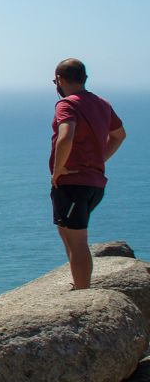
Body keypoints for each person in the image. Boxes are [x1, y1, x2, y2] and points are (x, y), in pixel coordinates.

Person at [50, 58, 125, 290]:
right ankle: (78, 282)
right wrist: (98, 159)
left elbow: (66, 136)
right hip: (93, 183)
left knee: (77, 240)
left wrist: (59, 169)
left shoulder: (67, 104)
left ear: (60, 79)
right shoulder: (102, 104)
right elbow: (119, 135)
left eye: (55, 80)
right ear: (84, 79)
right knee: (66, 230)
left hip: (73, 183)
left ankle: (83, 291)